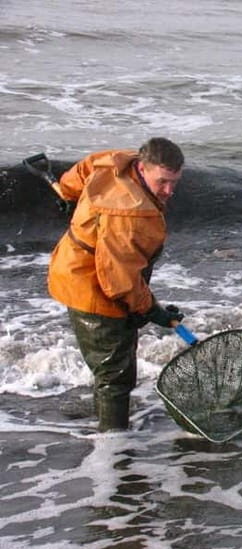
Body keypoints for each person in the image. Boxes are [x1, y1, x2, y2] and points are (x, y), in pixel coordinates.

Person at [48, 137, 186, 432]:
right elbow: (119, 282)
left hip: (79, 267)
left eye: (175, 182)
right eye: (162, 182)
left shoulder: (117, 161)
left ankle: (103, 423)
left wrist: (70, 192)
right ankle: (114, 449)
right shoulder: (131, 214)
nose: (169, 191)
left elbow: (84, 169)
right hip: (92, 288)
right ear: (143, 167)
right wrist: (153, 310)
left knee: (112, 362)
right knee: (116, 375)